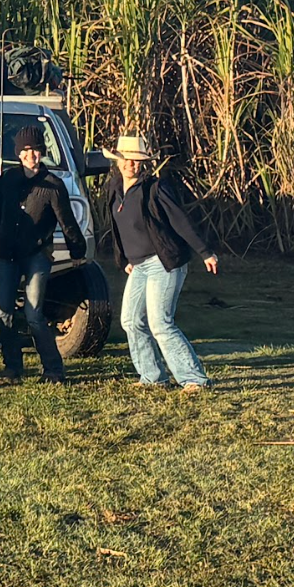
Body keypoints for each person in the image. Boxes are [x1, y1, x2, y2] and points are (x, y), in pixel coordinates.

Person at [104, 134, 220, 393]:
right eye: (126, 160)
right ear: (118, 162)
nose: (130, 165)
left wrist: (205, 252)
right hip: (138, 265)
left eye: (136, 161)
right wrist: (123, 258)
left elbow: (180, 221)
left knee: (160, 323)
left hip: (164, 263)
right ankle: (152, 377)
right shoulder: (114, 188)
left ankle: (195, 379)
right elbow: (117, 226)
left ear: (143, 164)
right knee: (131, 320)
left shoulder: (155, 188)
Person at [0, 124, 86, 384]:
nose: (31, 155)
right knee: (4, 312)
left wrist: (78, 251)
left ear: (42, 153)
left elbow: (67, 222)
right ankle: (12, 370)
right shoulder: (6, 180)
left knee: (34, 315)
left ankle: (53, 369)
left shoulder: (53, 186)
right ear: (18, 154)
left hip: (36, 256)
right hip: (7, 255)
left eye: (35, 150)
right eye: (26, 150)